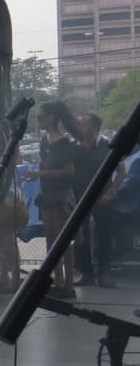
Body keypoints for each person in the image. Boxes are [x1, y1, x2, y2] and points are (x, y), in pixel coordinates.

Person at [27, 101, 82, 299]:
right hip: (48, 193)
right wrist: (38, 173)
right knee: (51, 239)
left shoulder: (65, 142)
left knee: (64, 240)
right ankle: (58, 280)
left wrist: (41, 173)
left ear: (51, 117)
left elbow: (69, 172)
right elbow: (44, 163)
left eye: (40, 116)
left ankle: (68, 284)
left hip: (60, 194)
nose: (38, 120)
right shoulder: (45, 139)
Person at [73, 113, 123, 289]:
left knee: (104, 235)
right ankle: (86, 273)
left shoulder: (108, 145)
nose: (78, 127)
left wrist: (110, 193)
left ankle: (104, 273)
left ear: (94, 127)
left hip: (102, 197)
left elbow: (121, 172)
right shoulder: (75, 146)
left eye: (82, 124)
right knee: (81, 236)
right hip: (79, 197)